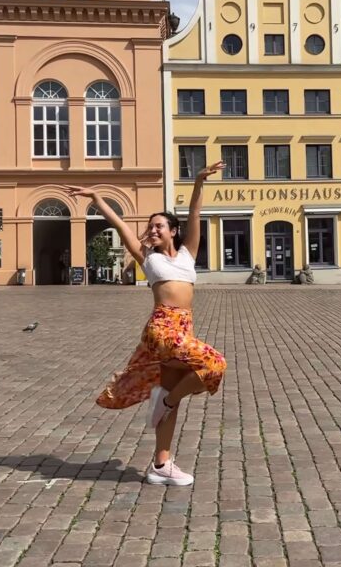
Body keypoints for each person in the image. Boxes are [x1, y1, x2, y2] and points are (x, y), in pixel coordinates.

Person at [64, 161, 227, 487]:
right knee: (215, 364)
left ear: (173, 230)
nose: (152, 230)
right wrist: (97, 199)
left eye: (159, 226)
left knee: (173, 394)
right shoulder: (146, 256)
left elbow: (195, 214)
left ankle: (160, 464)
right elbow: (121, 224)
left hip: (184, 327)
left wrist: (198, 182)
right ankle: (163, 402)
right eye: (150, 226)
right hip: (162, 327)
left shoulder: (186, 255)